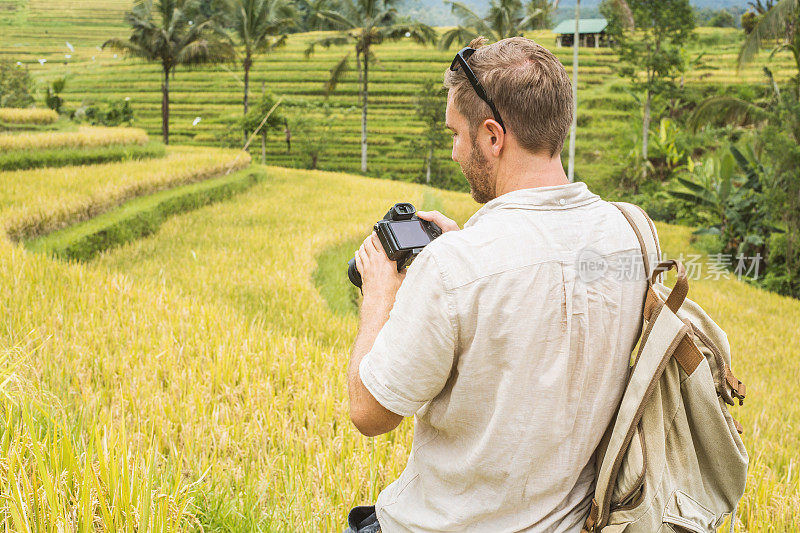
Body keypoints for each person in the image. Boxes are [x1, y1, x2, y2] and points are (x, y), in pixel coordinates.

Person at [347, 36, 649, 532]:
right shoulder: (631, 237)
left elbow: (369, 412)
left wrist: (378, 293)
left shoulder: (454, 268)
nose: (453, 151)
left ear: (492, 136)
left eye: (456, 134)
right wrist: (470, 248)